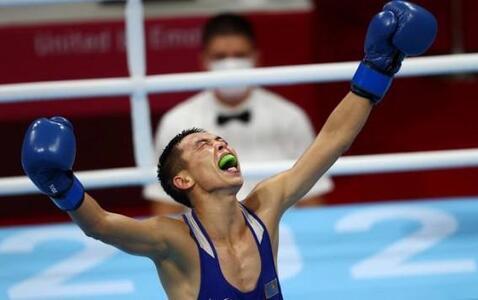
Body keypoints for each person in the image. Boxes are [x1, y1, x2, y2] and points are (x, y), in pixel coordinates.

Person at [21, 2, 437, 299]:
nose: (220, 142)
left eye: (219, 140)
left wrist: (377, 69)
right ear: (183, 180)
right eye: (203, 145)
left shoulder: (266, 208)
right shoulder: (173, 241)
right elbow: (102, 225)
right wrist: (61, 187)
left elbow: (332, 142)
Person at [143, 13, 333, 215]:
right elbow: (165, 207)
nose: (230, 64)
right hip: (202, 240)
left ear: (256, 58)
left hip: (281, 236)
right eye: (220, 57)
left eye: (239, 55)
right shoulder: (176, 122)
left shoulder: (291, 118)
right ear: (204, 61)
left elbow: (312, 203)